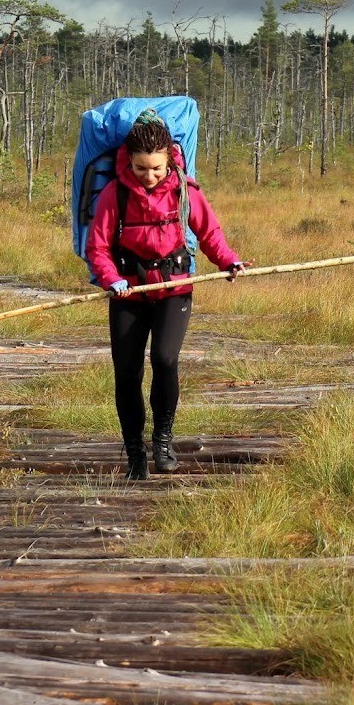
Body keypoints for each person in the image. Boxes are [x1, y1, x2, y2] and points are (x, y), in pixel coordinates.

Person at [84, 111, 243, 480]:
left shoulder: (185, 189)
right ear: (129, 160)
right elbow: (98, 247)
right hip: (128, 291)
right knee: (127, 371)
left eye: (156, 168)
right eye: (141, 168)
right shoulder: (115, 192)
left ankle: (163, 441)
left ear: (170, 158)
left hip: (174, 288)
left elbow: (210, 234)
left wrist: (229, 262)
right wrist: (110, 278)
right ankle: (136, 454)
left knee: (165, 359)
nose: (149, 176)